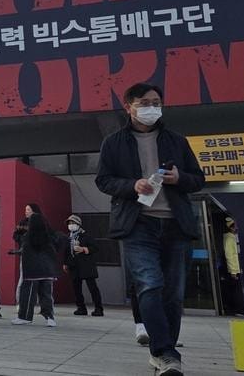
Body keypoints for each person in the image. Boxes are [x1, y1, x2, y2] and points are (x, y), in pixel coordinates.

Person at [95, 82, 205, 376]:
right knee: (149, 284)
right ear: (128, 107)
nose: (151, 107)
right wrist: (131, 185)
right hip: (137, 223)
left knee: (173, 293)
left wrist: (180, 177)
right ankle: (166, 352)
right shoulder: (114, 142)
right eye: (144, 103)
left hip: (175, 223)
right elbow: (103, 181)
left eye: (156, 102)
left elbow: (198, 179)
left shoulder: (176, 141)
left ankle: (163, 349)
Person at [12, 211, 58, 327]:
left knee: (27, 294)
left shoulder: (28, 236)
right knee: (46, 295)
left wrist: (16, 252)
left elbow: (25, 250)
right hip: (47, 271)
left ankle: (25, 317)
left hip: (32, 271)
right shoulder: (48, 236)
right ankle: (50, 318)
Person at [63, 214, 103, 316]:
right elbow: (66, 251)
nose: (71, 225)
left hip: (86, 265)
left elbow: (96, 247)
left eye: (73, 223)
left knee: (92, 287)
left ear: (78, 224)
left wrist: (84, 249)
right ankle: (81, 308)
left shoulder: (86, 235)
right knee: (76, 288)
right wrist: (65, 263)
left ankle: (98, 308)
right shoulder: (69, 237)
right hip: (74, 266)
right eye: (69, 223)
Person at [221, 217, 244, 316]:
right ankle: (237, 309)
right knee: (236, 290)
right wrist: (233, 271)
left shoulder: (233, 237)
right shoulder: (229, 239)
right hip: (234, 270)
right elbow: (229, 255)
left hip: (237, 268)